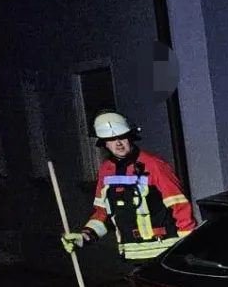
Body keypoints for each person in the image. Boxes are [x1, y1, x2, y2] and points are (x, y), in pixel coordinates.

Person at [61, 111, 196, 263]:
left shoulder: (154, 165)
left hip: (164, 253)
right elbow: (103, 214)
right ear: (104, 143)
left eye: (122, 137)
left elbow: (180, 208)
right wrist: (84, 236)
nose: (118, 143)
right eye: (111, 139)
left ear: (130, 137)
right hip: (131, 255)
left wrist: (187, 247)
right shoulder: (106, 171)